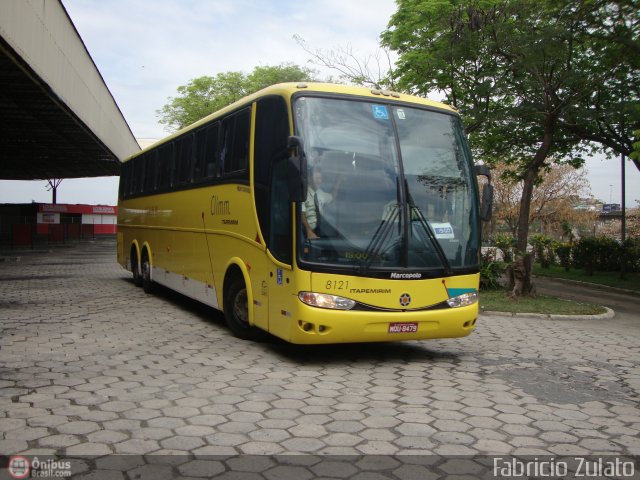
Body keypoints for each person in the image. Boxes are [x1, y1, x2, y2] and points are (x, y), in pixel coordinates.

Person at [301, 165, 342, 239]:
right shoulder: (303, 194)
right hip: (307, 233)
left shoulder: (320, 193)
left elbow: (332, 196)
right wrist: (309, 231)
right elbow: (302, 214)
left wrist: (338, 181)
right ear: (310, 179)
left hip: (321, 230)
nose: (319, 181)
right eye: (316, 178)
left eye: (320, 178)